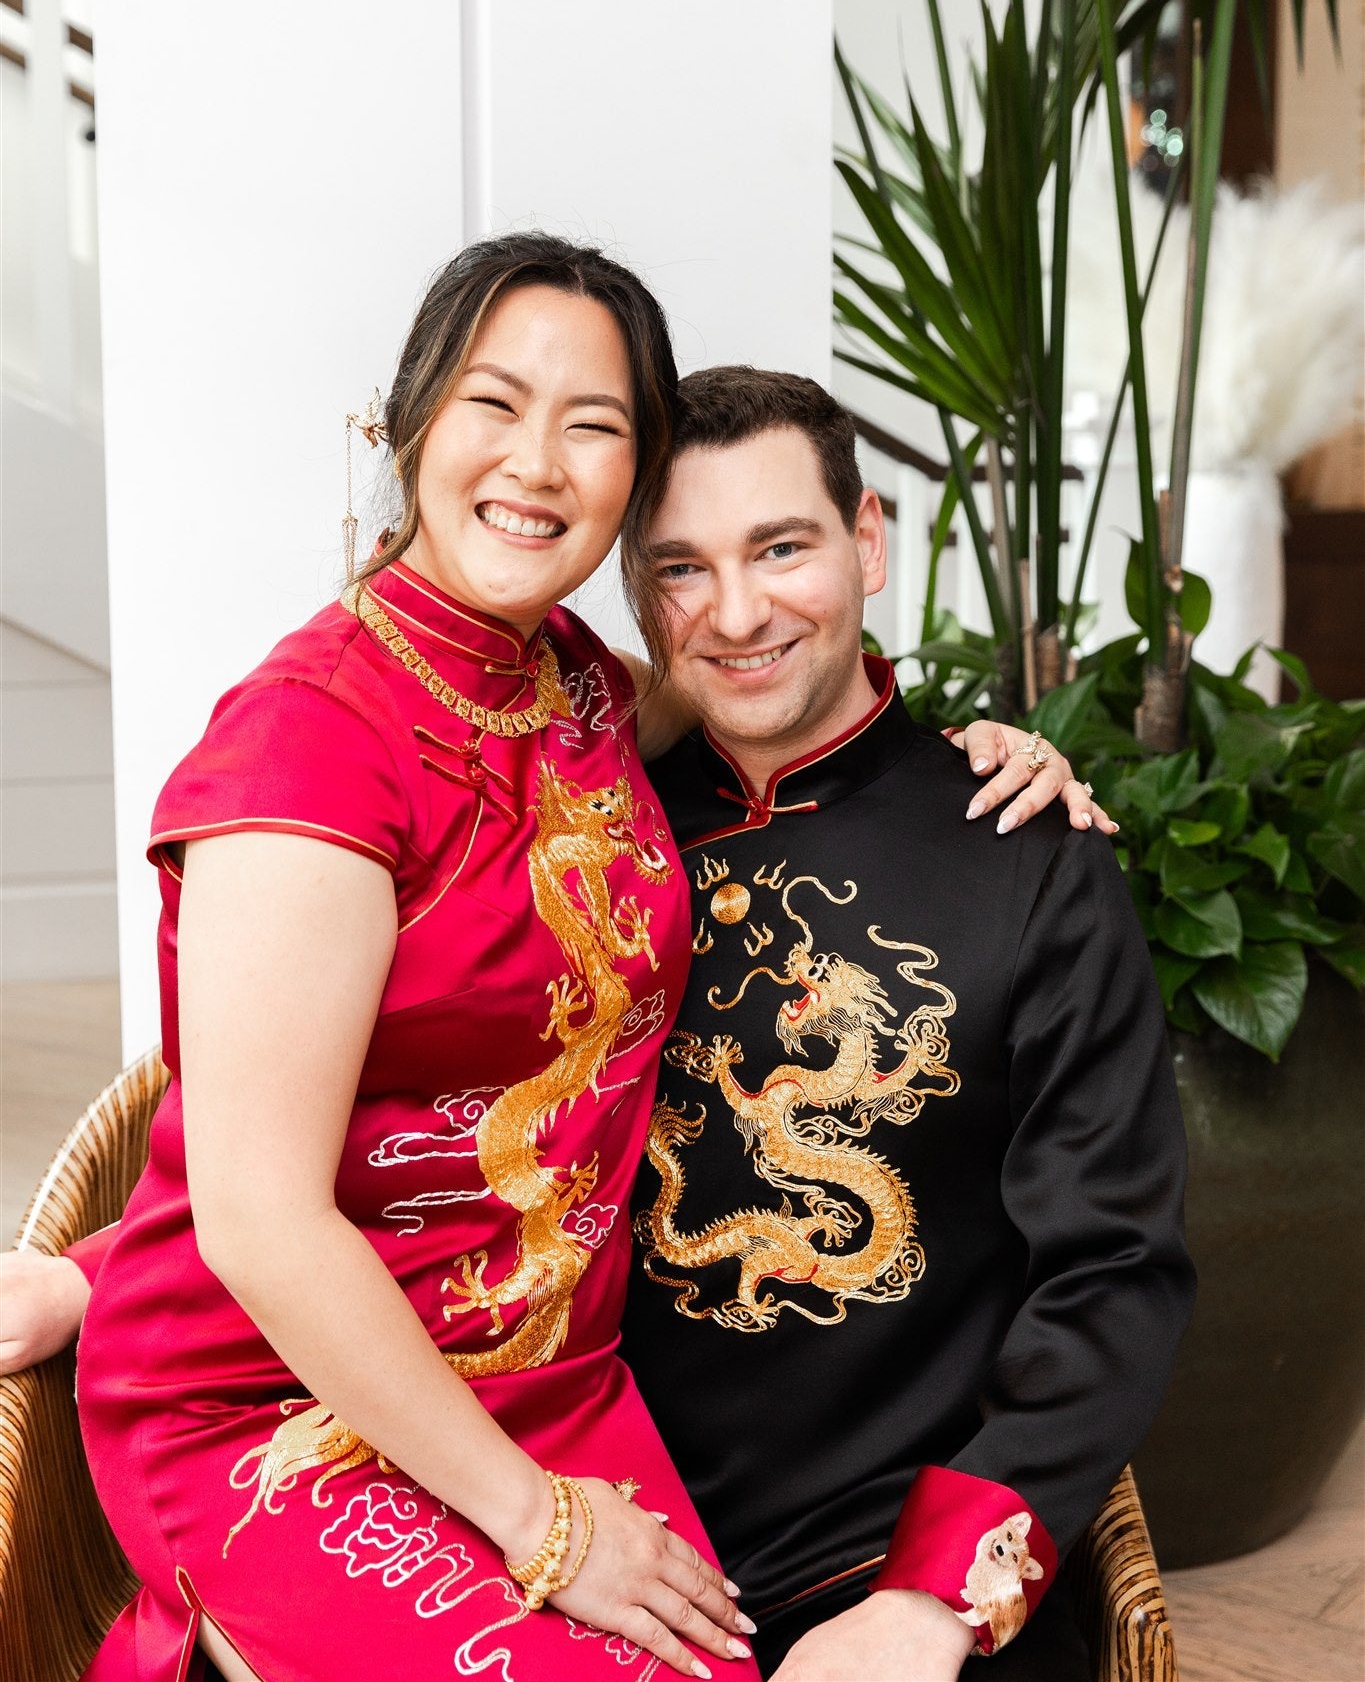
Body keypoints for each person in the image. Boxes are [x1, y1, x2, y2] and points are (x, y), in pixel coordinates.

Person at [1, 236, 1101, 1682]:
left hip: (547, 1377)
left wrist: (964, 748)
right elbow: (262, 1216)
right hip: (283, 1396)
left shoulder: (577, 686)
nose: (538, 463)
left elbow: (775, 704)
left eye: (594, 427)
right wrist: (544, 1529)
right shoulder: (307, 748)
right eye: (492, 405)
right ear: (404, 428)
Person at [617, 369, 1195, 1681]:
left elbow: (1111, 1271)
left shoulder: (1024, 856)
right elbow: (398, 1108)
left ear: (865, 540)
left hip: (880, 1571)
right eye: (682, 569)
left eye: (780, 547)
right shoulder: (579, 834)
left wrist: (931, 1604)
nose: (740, 611)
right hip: (591, 1545)